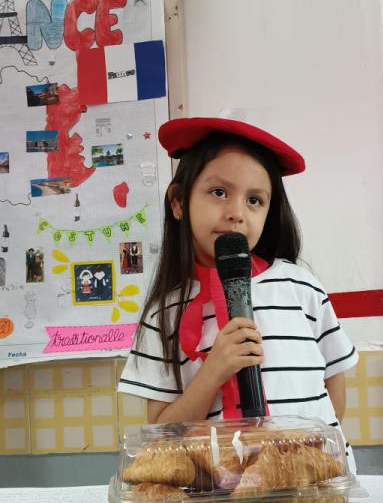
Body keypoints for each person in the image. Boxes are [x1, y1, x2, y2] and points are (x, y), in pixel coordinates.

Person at [118, 117, 358, 471]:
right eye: (219, 192)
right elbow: (161, 437)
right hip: (222, 491)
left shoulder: (301, 287)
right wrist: (214, 370)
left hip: (313, 481)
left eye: (255, 200)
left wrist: (308, 464)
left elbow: (334, 391)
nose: (236, 214)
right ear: (179, 201)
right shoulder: (163, 314)